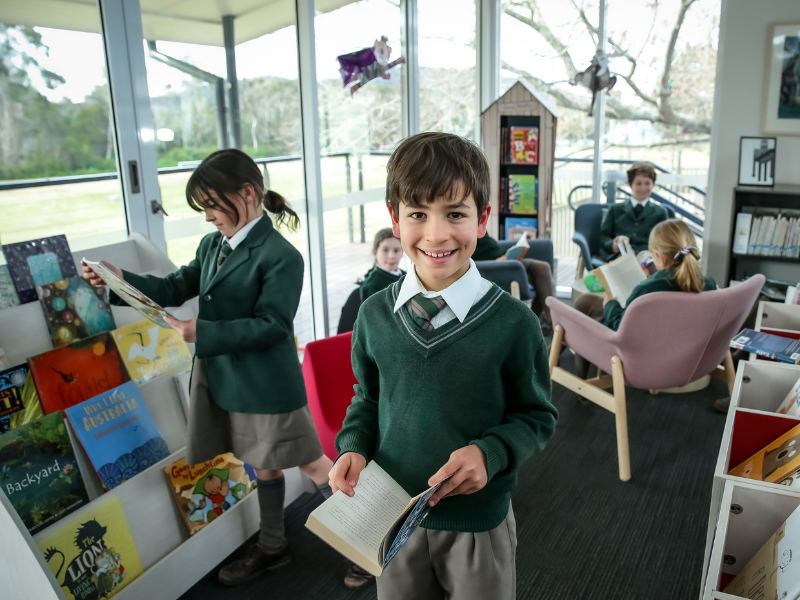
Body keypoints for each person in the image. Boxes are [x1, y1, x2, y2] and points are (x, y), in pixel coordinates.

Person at [82, 149, 335, 586]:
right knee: (264, 465)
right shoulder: (212, 244)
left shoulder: (281, 256)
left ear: (248, 193)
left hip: (267, 386)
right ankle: (273, 546)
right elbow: (173, 287)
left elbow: (273, 326)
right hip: (227, 382)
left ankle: (373, 545)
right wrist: (115, 278)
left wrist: (204, 332)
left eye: (211, 206)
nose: (206, 218)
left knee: (316, 467)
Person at [329, 132, 559, 599]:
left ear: (482, 220)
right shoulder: (373, 314)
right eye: (418, 215)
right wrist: (352, 446)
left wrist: (490, 453)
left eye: (455, 213)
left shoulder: (514, 323)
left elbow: (537, 417)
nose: (436, 234)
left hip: (477, 523)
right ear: (395, 219)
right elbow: (368, 397)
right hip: (390, 515)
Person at [572, 218, 717, 379]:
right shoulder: (709, 285)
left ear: (660, 258)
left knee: (580, 317)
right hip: (686, 356)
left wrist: (611, 305)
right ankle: (551, 354)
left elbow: (619, 330)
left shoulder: (647, 289)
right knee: (587, 303)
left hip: (642, 359)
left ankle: (574, 378)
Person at [472, 233, 554, 336]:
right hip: (496, 266)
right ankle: (547, 323)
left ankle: (542, 322)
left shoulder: (479, 222)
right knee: (543, 277)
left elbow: (487, 244)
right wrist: (495, 261)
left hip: (505, 259)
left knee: (543, 271)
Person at [599, 161, 669, 261]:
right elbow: (603, 237)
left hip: (649, 259)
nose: (643, 188)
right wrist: (612, 245)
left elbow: (665, 241)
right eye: (639, 183)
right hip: (620, 257)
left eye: (647, 183)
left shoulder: (661, 213)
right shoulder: (615, 209)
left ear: (653, 184)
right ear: (630, 184)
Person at [359, 228, 405, 303]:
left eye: (396, 250)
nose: (391, 256)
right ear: (375, 253)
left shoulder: (406, 275)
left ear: (402, 253)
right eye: (385, 250)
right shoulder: (372, 284)